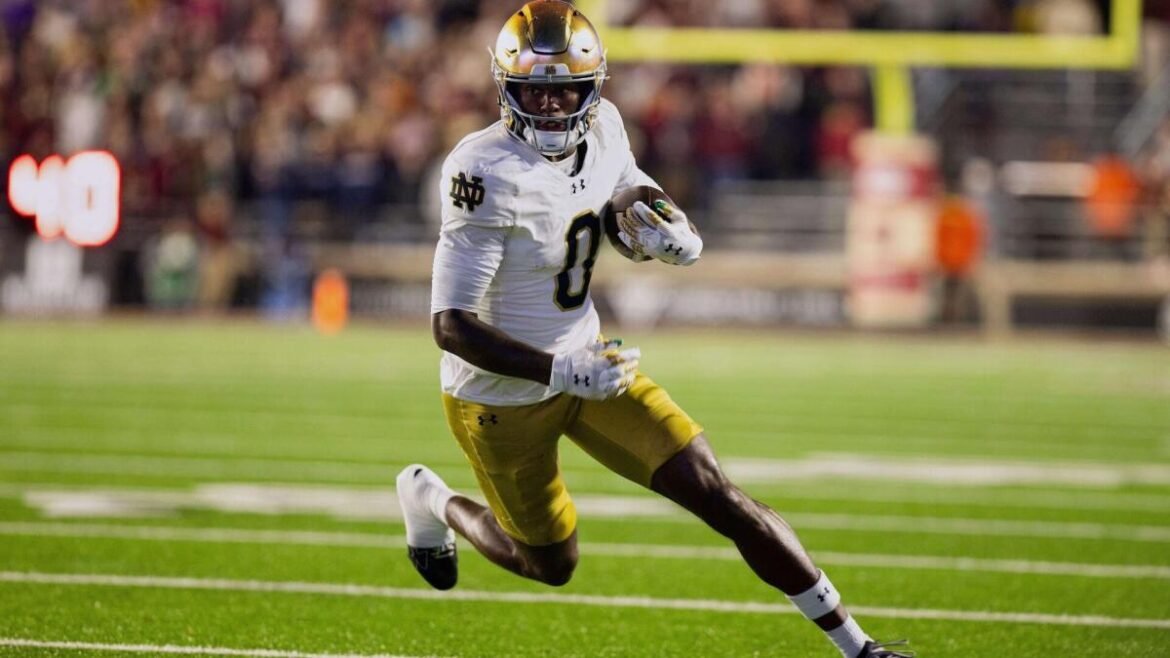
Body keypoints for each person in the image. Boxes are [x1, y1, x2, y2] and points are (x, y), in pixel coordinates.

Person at [397, 3, 911, 656]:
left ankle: (859, 647)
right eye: (534, 91)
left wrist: (673, 229)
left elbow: (627, 194)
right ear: (506, 89)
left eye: (566, 91)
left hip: (591, 362)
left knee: (716, 492)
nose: (551, 106)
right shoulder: (480, 172)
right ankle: (431, 498)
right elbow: (451, 325)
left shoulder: (607, 127)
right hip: (499, 395)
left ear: (593, 88)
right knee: (549, 563)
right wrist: (558, 370)